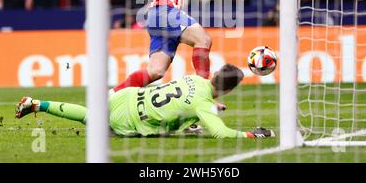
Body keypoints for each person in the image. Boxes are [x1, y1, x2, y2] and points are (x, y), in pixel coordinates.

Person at [15, 64, 274, 139]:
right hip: (130, 120)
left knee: (90, 115)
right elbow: (220, 133)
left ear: (214, 73)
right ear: (227, 92)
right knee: (92, 120)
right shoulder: (203, 105)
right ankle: (37, 104)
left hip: (127, 95)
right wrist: (253, 134)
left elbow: (184, 100)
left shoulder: (193, 79)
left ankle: (38, 104)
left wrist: (209, 108)